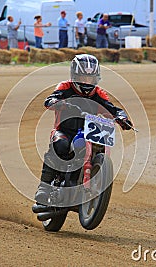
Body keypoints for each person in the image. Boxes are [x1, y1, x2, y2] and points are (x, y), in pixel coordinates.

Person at [33, 54, 133, 205]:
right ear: (74, 76)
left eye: (90, 79)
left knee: (98, 150)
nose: (86, 82)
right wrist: (60, 103)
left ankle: (91, 179)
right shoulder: (65, 87)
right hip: (64, 131)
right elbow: (49, 100)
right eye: (82, 78)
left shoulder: (99, 93)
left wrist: (122, 118)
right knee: (61, 146)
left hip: (88, 133)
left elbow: (112, 108)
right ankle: (44, 188)